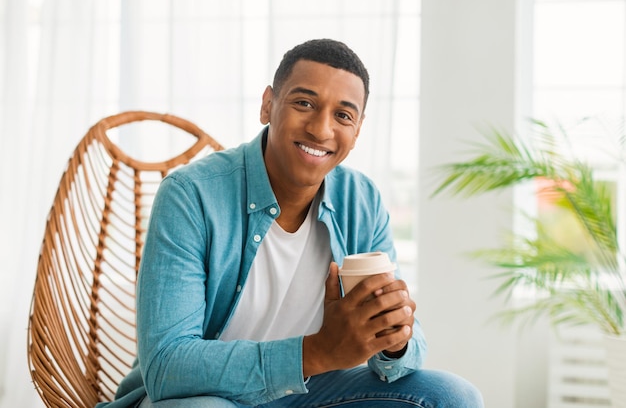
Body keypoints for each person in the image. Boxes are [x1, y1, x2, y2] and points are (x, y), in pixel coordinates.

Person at [98, 38, 484, 408]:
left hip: (308, 394)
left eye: (343, 115)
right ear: (268, 105)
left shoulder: (360, 199)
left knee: (454, 398)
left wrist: (394, 340)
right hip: (204, 396)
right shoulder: (190, 195)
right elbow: (166, 368)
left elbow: (400, 358)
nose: (321, 129)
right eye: (304, 103)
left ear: (358, 129)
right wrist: (315, 352)